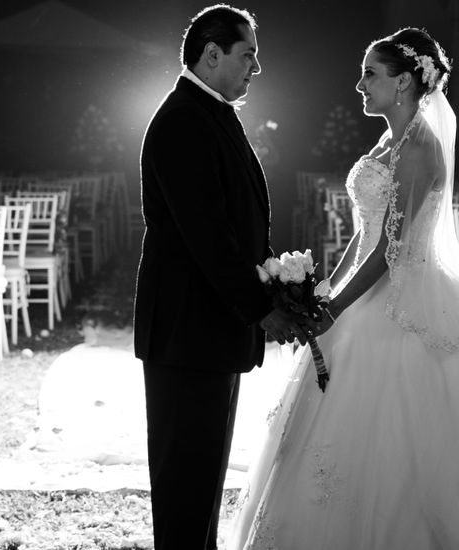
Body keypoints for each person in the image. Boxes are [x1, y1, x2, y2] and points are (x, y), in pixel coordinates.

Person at [229, 28, 459, 549]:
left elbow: (391, 251)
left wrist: (336, 307)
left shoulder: (420, 149)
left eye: (370, 74)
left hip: (410, 302)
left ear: (404, 81)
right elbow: (364, 234)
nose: (359, 84)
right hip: (366, 293)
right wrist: (325, 294)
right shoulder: (388, 140)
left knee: (411, 436)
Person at [134, 5, 311, 549]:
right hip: (188, 330)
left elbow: (236, 220)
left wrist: (275, 279)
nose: (256, 67)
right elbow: (207, 236)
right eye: (248, 54)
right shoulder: (184, 119)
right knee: (186, 478)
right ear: (212, 55)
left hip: (207, 329)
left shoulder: (209, 110)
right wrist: (262, 308)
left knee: (203, 475)